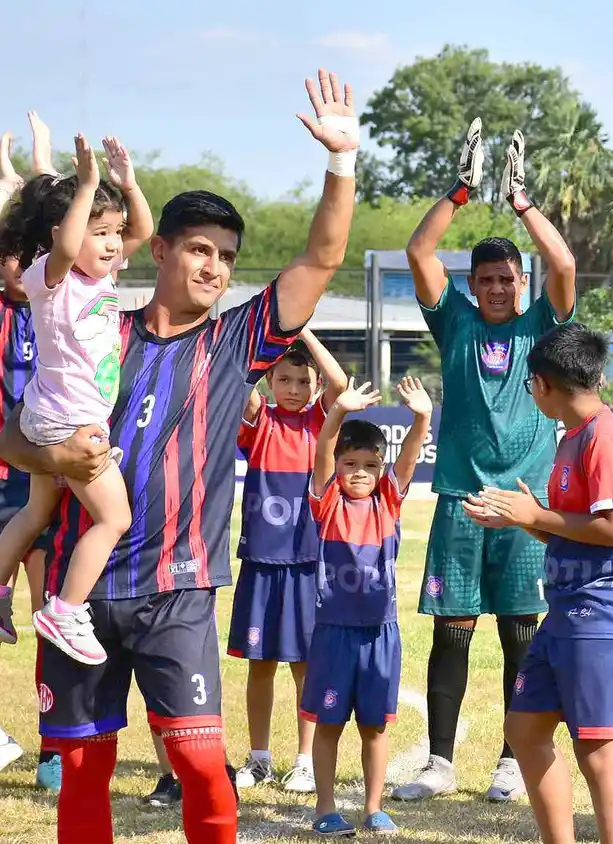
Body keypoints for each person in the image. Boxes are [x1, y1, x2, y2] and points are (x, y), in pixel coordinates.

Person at [0, 67, 359, 844]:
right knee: (85, 778)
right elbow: (7, 434)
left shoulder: (239, 342)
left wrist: (340, 162)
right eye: (199, 249)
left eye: (226, 256)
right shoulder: (97, 333)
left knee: (201, 768)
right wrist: (52, 458)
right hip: (79, 597)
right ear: (156, 248)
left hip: (181, 592)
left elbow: (323, 260)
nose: (214, 268)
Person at [394, 117, 578, 803]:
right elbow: (420, 251)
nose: (499, 288)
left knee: (522, 639)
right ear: (472, 286)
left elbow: (563, 267)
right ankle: (439, 763)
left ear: (520, 283)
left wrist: (524, 204)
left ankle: (511, 760)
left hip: (527, 508)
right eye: (488, 280)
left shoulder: (541, 326)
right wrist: (463, 191)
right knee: (453, 633)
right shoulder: (458, 321)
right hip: (460, 502)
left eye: (508, 278)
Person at [464, 322, 613, 844]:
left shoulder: (603, 438)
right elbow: (574, 534)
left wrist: (538, 516)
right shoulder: (573, 436)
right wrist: (523, 518)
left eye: (530, 384)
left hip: (607, 608)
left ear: (543, 385)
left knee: (598, 747)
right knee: (524, 730)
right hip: (569, 608)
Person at [0, 133, 151, 665]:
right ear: (60, 231)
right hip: (69, 422)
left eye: (114, 234)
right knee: (115, 520)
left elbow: (145, 230)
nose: (114, 244)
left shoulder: (100, 272)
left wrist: (127, 185)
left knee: (37, 510)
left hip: (54, 412)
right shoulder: (50, 276)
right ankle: (65, 609)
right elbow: (67, 246)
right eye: (100, 233)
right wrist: (88, 183)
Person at [300, 376, 429, 836]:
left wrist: (421, 418)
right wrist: (337, 413)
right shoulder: (327, 501)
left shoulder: (388, 502)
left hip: (381, 634)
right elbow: (321, 455)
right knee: (329, 725)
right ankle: (325, 809)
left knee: (375, 727)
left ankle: (374, 808)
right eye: (349, 463)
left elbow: (409, 458)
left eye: (369, 465)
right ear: (336, 467)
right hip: (334, 632)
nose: (359, 472)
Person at [229, 328, 348, 793]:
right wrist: (272, 342)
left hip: (307, 563)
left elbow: (338, 384)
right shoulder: (260, 423)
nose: (293, 390)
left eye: (302, 381)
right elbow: (239, 381)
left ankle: (304, 759)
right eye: (284, 380)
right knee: (260, 664)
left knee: (305, 665)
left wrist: (304, 332)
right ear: (271, 381)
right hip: (262, 560)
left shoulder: (322, 423)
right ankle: (259, 759)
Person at [0, 124, 64, 789]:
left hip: (42, 483)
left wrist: (40, 172)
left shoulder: (58, 307)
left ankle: (54, 747)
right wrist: (10, 180)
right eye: (13, 255)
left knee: (54, 615)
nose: (22, 266)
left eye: (33, 255)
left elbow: (59, 221)